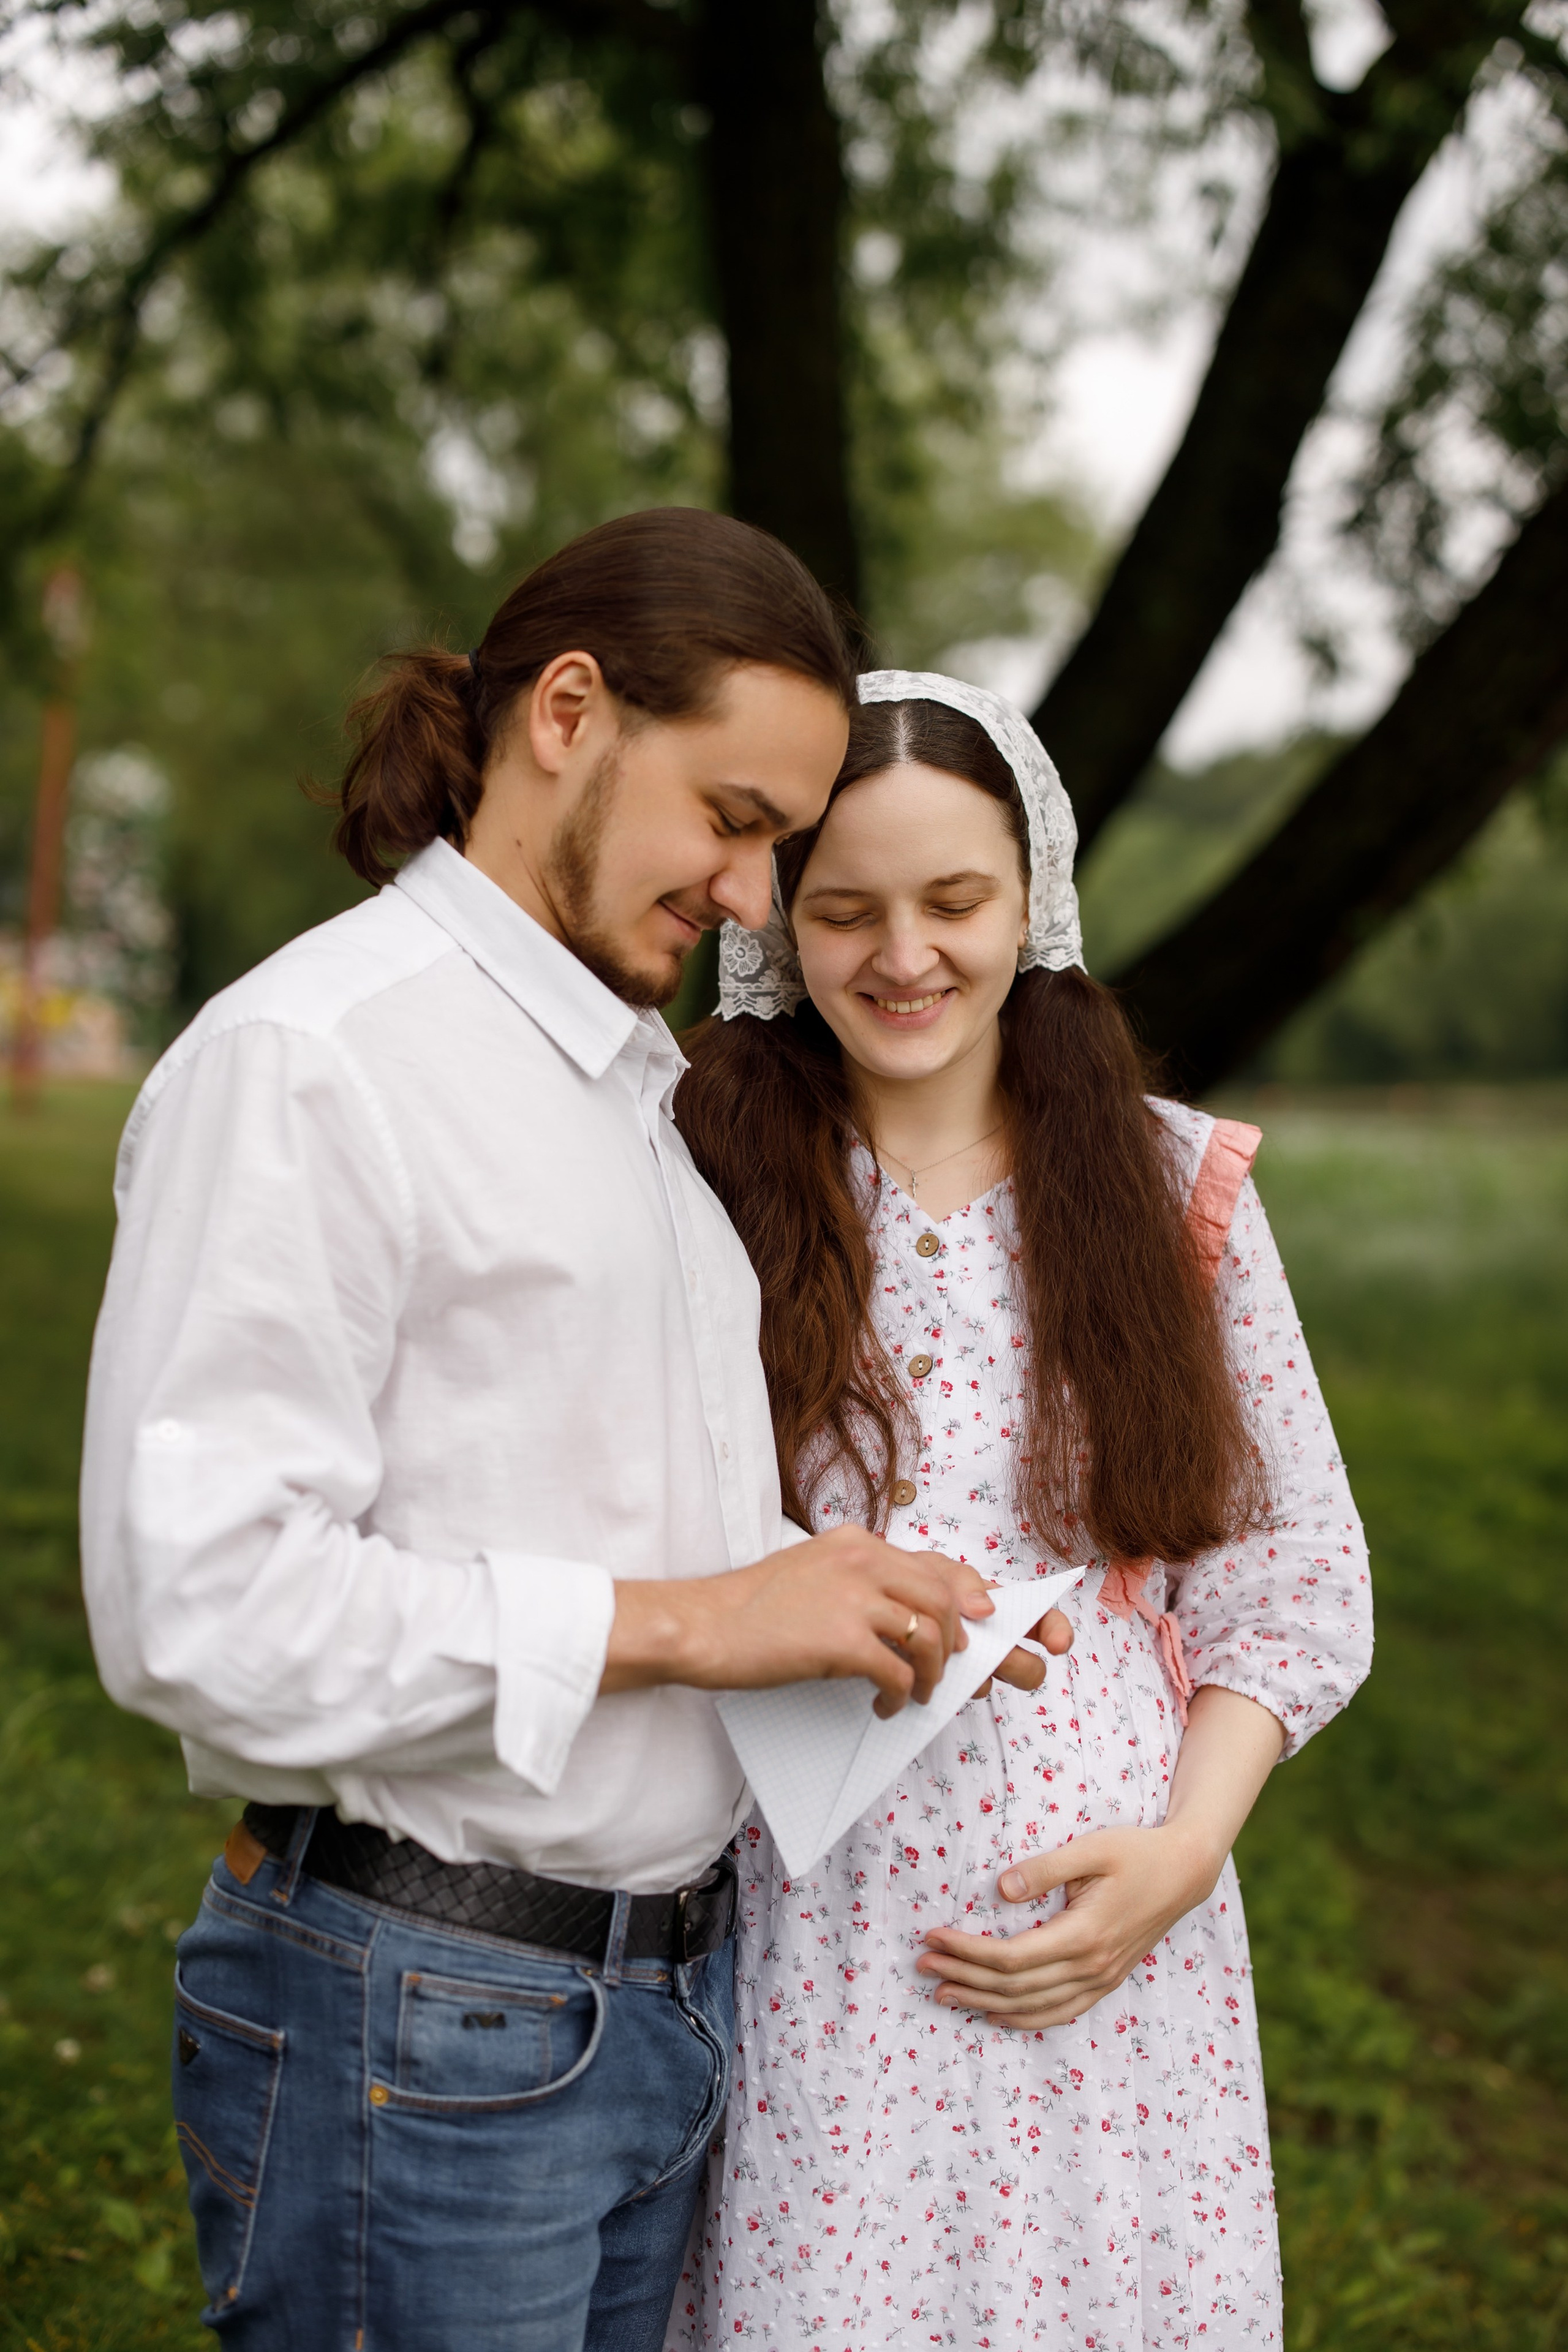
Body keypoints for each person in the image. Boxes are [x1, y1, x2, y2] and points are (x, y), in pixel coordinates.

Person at [78, 523, 1061, 2352]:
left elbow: (580, 1498)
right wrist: (697, 1622)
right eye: (734, 820)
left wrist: (831, 1602)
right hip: (420, 2020)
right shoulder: (317, 1059)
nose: (753, 899)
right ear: (568, 714)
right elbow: (197, 1611)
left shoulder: (630, 1084)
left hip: (653, 2021)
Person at [666, 670, 1374, 2350]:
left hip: (1108, 1923)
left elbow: (1290, 1576)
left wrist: (1184, 1854)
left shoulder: (1166, 1183)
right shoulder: (697, 1168)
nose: (904, 955)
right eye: (847, 910)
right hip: (812, 1916)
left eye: (955, 901)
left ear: (1033, 896)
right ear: (780, 924)